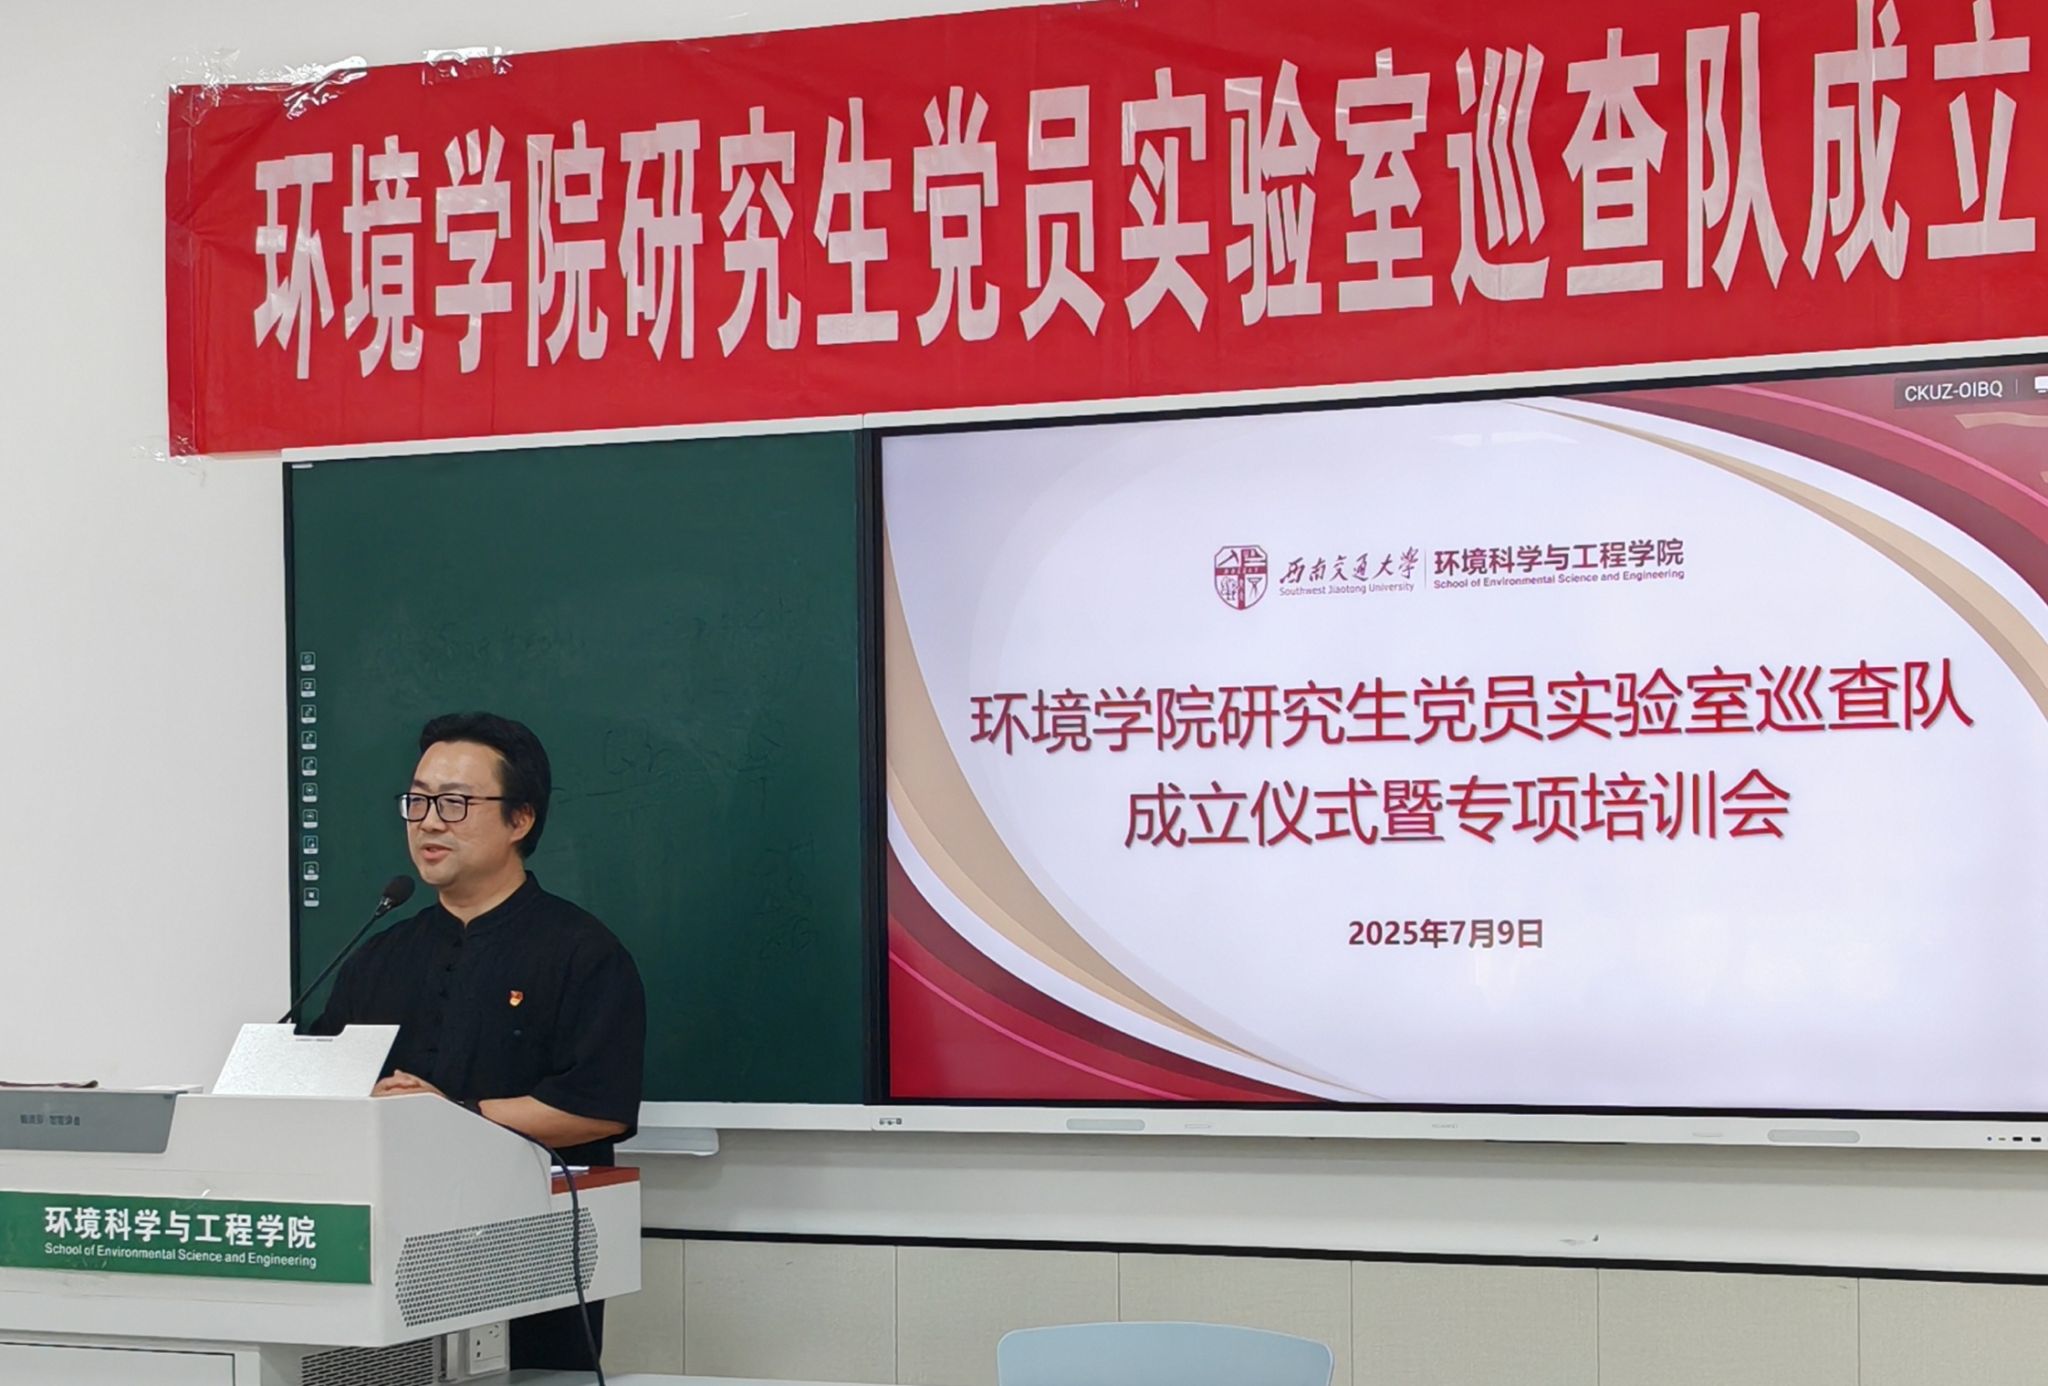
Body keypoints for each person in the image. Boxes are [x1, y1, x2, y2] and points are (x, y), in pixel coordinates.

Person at [313, 712, 646, 1372]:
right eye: (417, 801)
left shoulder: (582, 952)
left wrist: (451, 1116)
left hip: (525, 1254)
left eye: (455, 803)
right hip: (391, 1256)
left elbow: (597, 1107)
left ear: (520, 819)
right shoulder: (379, 955)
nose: (428, 823)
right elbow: (326, 1079)